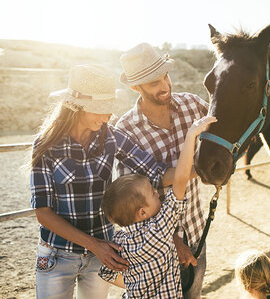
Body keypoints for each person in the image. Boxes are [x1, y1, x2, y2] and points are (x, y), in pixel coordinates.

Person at [30, 64, 175, 299]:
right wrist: (94, 245)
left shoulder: (111, 137)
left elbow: (156, 172)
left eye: (109, 108)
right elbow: (43, 213)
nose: (108, 116)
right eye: (100, 109)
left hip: (103, 255)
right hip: (57, 255)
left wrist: (199, 167)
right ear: (76, 108)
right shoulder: (46, 144)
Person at [116, 42, 209, 298]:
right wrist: (173, 241)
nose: (165, 85)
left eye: (165, 76)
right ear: (136, 87)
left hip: (197, 228)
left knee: (194, 295)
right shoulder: (126, 129)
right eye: (154, 82)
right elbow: (129, 201)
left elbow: (229, 133)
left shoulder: (192, 104)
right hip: (156, 245)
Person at [99, 116, 216, 298]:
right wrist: (191, 135)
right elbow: (180, 180)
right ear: (142, 212)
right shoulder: (158, 230)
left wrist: (138, 284)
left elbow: (107, 274)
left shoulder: (119, 241)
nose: (157, 192)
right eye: (153, 194)